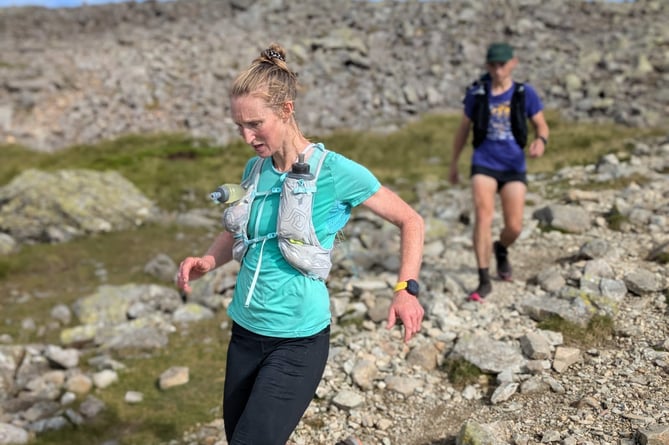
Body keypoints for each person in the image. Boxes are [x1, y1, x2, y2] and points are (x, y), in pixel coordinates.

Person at [176, 43, 425, 445]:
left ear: (286, 110)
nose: (246, 137)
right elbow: (243, 229)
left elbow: (410, 220)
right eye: (239, 126)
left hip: (297, 342)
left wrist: (405, 289)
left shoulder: (335, 171)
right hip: (244, 333)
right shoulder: (254, 168)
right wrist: (208, 259)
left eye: (255, 123)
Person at [448, 42, 549, 302]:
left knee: (514, 226)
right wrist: (454, 163)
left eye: (502, 64)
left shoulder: (526, 93)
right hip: (484, 162)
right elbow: (463, 130)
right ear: (487, 66)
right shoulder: (477, 94)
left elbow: (541, 126)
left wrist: (541, 141)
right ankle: (483, 279)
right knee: (483, 215)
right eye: (492, 64)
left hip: (514, 166)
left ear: (513, 62)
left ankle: (501, 249)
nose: (497, 69)